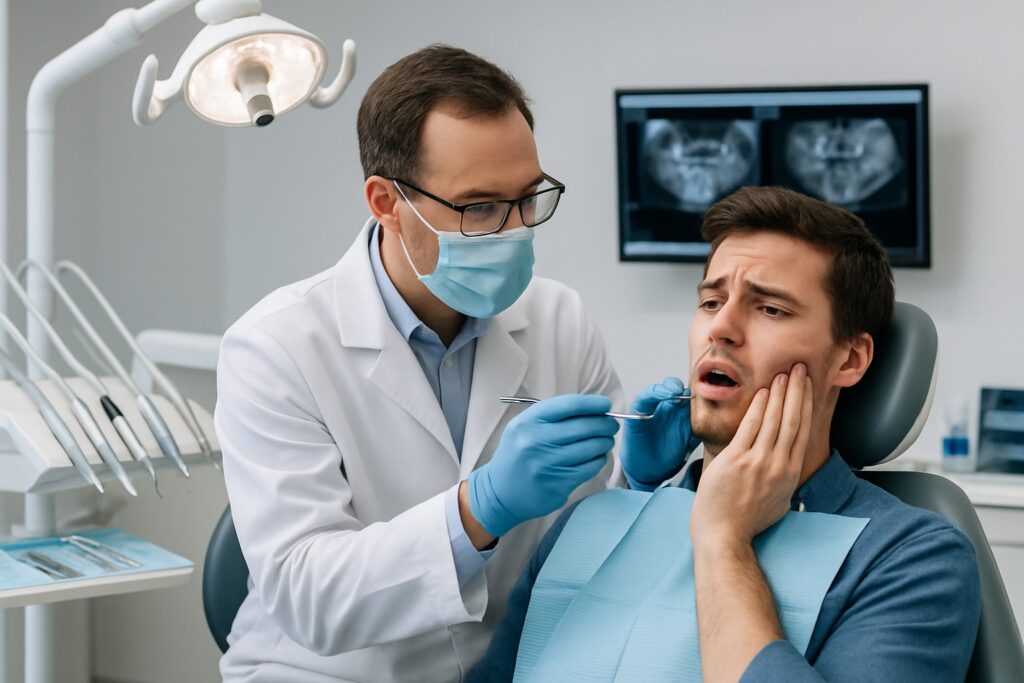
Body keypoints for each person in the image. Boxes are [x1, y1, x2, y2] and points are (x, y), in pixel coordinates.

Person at [215, 45, 657, 681]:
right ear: (386, 203)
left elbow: (585, 548)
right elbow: (308, 599)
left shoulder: (560, 318)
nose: (513, 230)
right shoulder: (274, 348)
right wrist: (479, 508)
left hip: (510, 665)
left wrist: (639, 483)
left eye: (527, 198)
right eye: (479, 207)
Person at [470, 186, 982, 682]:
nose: (722, 328)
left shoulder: (912, 558)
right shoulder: (592, 521)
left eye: (770, 309)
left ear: (849, 359)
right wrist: (645, 500)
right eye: (712, 302)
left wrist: (723, 540)